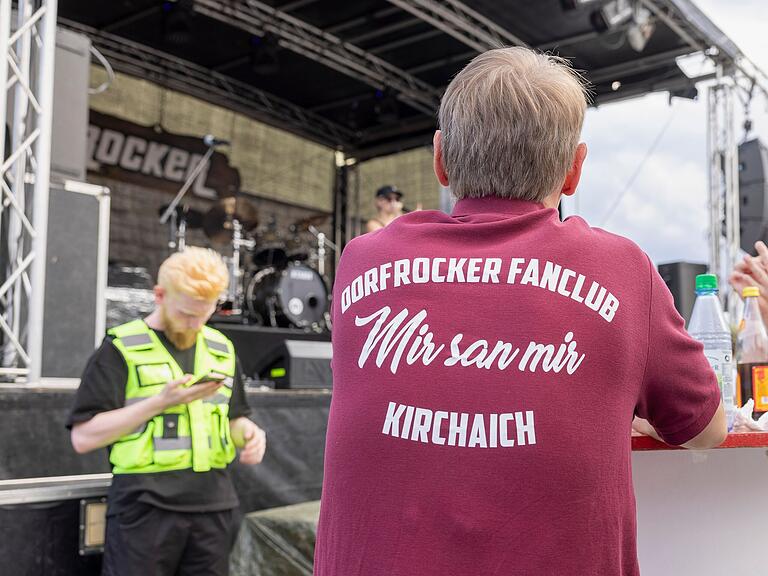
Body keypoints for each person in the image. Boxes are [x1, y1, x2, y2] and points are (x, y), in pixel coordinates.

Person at [315, 47, 726, 576]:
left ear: (440, 159)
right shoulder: (621, 270)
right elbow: (706, 430)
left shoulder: (361, 262)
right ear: (574, 171)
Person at [68, 247, 267, 576]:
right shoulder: (121, 348)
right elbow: (83, 437)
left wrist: (250, 434)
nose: (194, 324)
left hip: (214, 507)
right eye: (186, 313)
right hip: (145, 508)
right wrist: (160, 402)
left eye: (204, 314)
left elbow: (234, 418)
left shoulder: (220, 348)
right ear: (159, 295)